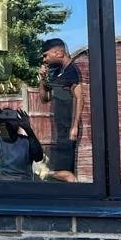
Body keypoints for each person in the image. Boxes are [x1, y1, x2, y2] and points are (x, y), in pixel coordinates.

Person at [38, 38, 85, 181]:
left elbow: (79, 98)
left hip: (69, 127)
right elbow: (45, 98)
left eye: (46, 55)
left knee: (64, 171)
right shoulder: (57, 72)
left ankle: (46, 175)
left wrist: (75, 126)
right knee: (61, 168)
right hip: (60, 129)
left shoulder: (72, 71)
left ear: (58, 53)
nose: (44, 60)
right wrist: (42, 79)